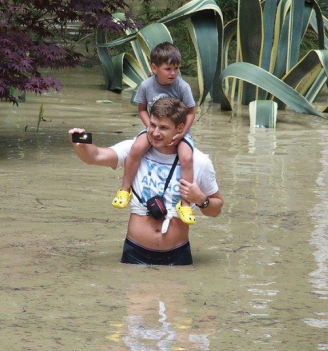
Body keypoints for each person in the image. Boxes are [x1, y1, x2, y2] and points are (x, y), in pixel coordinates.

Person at [70, 97, 223, 265]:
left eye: (163, 128)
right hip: (135, 251)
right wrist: (81, 145)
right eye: (152, 125)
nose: (155, 133)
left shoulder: (199, 161)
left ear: (180, 128)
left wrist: (201, 199)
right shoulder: (134, 149)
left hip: (177, 254)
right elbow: (95, 156)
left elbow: (216, 209)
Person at [111, 42, 197, 226]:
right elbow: (142, 109)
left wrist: (181, 134)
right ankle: (125, 189)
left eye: (176, 68)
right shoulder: (146, 85)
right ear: (154, 68)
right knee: (136, 148)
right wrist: (151, 128)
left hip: (179, 132)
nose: (172, 73)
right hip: (154, 127)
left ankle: (186, 204)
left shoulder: (182, 87)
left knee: (187, 158)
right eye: (168, 69)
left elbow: (191, 112)